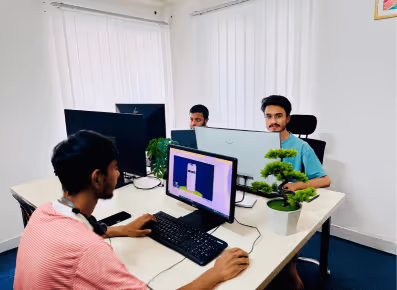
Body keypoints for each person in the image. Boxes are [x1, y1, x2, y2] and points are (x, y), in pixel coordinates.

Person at [14, 130, 249, 290]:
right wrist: (215, 274)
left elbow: (80, 230)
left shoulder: (44, 213)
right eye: (115, 168)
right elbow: (83, 247)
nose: (118, 174)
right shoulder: (90, 251)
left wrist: (121, 230)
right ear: (98, 178)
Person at [261, 95, 331, 290]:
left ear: (288, 118)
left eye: (278, 116)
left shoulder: (301, 147)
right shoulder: (260, 143)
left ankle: (292, 276)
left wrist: (297, 185)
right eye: (268, 116)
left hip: (287, 202)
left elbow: (325, 180)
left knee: (285, 267)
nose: (273, 121)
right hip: (263, 196)